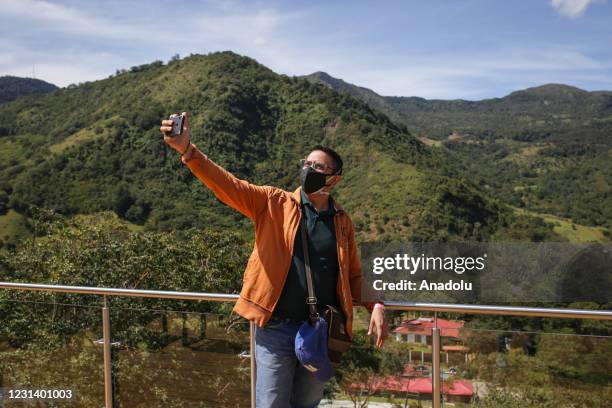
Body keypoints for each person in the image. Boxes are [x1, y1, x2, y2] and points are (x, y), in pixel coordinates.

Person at [160, 112, 387, 407]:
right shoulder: (273, 202)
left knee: (306, 403)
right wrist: (188, 151)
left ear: (334, 178)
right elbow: (228, 185)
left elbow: (353, 274)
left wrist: (376, 303)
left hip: (320, 330)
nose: (309, 169)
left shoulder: (342, 221)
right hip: (275, 326)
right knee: (271, 402)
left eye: (318, 166)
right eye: (306, 164)